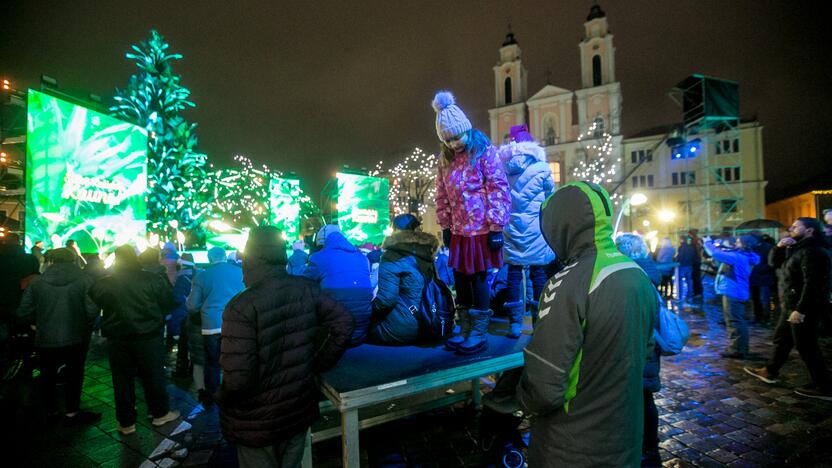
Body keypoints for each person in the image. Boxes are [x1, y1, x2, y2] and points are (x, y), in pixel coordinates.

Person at [517, 182, 656, 467]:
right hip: (623, 440)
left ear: (561, 226)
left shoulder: (568, 283)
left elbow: (545, 386)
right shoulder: (636, 273)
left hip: (570, 447)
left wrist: (518, 398)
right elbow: (644, 354)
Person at [219, 226, 353, 467]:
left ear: (251, 258)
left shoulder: (240, 307)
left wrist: (223, 398)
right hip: (297, 411)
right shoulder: (306, 288)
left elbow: (238, 380)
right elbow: (343, 322)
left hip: (256, 422)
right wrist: (316, 363)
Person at [432, 91, 510, 354]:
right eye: (448, 139)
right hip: (459, 231)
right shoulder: (445, 160)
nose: (454, 143)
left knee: (478, 280)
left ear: (466, 129)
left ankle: (479, 332)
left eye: (457, 136)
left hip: (481, 230)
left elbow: (498, 187)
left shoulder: (484, 153)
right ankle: (465, 328)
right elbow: (441, 194)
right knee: (461, 280)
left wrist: (496, 226)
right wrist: (444, 225)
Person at [89, 245, 180, 435]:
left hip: (117, 337)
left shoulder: (105, 283)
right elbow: (168, 301)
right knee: (153, 374)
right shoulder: (152, 279)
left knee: (121, 378)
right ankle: (159, 413)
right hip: (148, 335)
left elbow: (95, 298)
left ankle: (126, 422)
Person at [745, 217, 832, 400]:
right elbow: (774, 264)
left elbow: (814, 283)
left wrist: (800, 309)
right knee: (782, 339)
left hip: (802, 307)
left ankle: (824, 386)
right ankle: (770, 370)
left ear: (809, 231)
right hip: (790, 305)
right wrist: (779, 247)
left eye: (795, 227)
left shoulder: (813, 251)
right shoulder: (796, 248)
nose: (791, 229)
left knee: (806, 345)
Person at [16, 248, 101, 424]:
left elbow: (23, 311)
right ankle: (72, 412)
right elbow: (92, 310)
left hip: (45, 336)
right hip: (76, 336)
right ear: (73, 260)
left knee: (48, 375)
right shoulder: (84, 280)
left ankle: (51, 411)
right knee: (74, 375)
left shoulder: (38, 282)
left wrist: (40, 321)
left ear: (52, 261)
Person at [497, 124, 556, 338]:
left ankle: (514, 323)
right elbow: (551, 194)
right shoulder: (542, 168)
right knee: (538, 274)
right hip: (535, 230)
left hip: (511, 228)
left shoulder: (503, 168)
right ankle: (539, 320)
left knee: (513, 273)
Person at [615, 233, 663, 467]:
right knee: (645, 399)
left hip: (640, 345)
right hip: (649, 345)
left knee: (639, 400)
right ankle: (650, 449)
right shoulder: (648, 270)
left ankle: (647, 451)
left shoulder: (632, 276)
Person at [368, 214, 438, 345]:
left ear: (395, 230)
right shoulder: (427, 253)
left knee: (358, 328)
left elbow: (386, 300)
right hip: (430, 321)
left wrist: (366, 311)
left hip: (403, 327)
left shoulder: (392, 256)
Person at [187, 247, 244, 404]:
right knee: (235, 361)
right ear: (225, 256)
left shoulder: (202, 276)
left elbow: (192, 306)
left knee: (212, 364)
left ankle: (212, 397)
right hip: (235, 324)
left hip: (211, 326)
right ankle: (234, 394)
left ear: (209, 258)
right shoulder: (239, 272)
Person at [304, 224, 373, 346]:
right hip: (360, 334)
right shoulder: (362, 258)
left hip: (332, 335)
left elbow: (303, 285)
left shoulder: (319, 257)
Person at [703, 235, 760, 358]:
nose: (736, 244)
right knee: (739, 321)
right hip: (738, 291)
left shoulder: (738, 257)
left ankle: (737, 349)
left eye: (738, 242)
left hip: (733, 292)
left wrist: (707, 242)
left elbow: (714, 253)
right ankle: (741, 347)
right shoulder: (746, 256)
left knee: (734, 321)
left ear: (745, 245)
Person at [749, 235, 775, 324]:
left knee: (764, 299)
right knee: (756, 299)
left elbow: (771, 262)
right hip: (755, 277)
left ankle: (765, 318)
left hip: (764, 277)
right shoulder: (752, 247)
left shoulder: (768, 248)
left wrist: (761, 270)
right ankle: (758, 317)